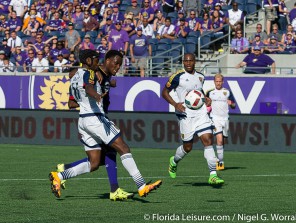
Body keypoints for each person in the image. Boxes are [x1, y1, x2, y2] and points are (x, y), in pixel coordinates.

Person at [49, 49, 162, 199]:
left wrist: (108, 84)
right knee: (123, 147)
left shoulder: (77, 76)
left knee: (94, 163)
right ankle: (141, 186)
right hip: (94, 117)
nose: (117, 67)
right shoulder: (92, 73)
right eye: (97, 59)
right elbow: (89, 87)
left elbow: (71, 101)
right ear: (90, 61)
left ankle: (60, 175)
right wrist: (96, 95)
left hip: (83, 120)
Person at [162, 53, 225, 186]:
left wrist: (205, 98)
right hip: (186, 116)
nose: (188, 63)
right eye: (186, 61)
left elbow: (199, 92)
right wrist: (175, 104)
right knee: (188, 147)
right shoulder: (177, 76)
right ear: (183, 62)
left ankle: (213, 175)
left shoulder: (200, 76)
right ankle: (174, 161)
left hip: (201, 114)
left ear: (195, 62)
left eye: (191, 61)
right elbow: (164, 92)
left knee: (208, 140)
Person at [206, 74, 236, 170]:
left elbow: (234, 105)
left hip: (225, 119)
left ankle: (219, 159)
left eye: (220, 81)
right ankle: (220, 163)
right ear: (214, 82)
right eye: (216, 81)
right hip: (215, 119)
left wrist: (231, 104)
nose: (218, 83)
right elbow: (205, 104)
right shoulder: (209, 92)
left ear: (222, 82)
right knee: (219, 140)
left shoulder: (227, 92)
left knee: (222, 142)